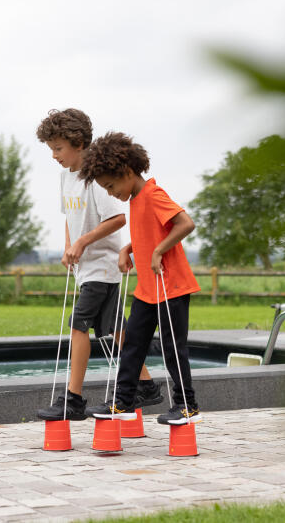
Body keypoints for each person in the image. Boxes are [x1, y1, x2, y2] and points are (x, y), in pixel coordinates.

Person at [34, 109, 162, 421]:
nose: (54, 156)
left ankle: (73, 398)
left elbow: (118, 218)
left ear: (78, 143)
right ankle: (146, 385)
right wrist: (69, 245)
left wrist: (83, 242)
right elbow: (69, 217)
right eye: (50, 149)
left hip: (102, 267)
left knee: (79, 325)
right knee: (116, 329)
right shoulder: (66, 177)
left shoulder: (94, 179)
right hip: (86, 268)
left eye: (58, 148)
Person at [80, 131, 201, 425]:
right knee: (133, 344)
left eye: (110, 185)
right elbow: (149, 232)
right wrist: (127, 248)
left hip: (170, 286)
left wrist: (159, 250)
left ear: (128, 172)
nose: (110, 193)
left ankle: (188, 405)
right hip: (148, 289)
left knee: (173, 348)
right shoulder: (136, 199)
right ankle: (122, 403)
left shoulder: (153, 194)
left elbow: (185, 223)